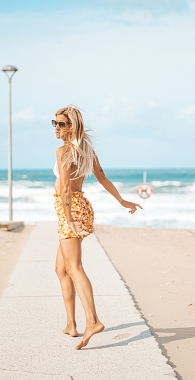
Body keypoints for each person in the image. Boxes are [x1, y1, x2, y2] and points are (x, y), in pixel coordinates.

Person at [52, 104, 142, 350]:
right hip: (80, 207)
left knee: (74, 266)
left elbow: (66, 189)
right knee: (61, 269)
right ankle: (71, 324)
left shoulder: (63, 152)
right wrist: (122, 200)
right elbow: (102, 177)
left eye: (61, 124)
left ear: (72, 127)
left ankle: (92, 321)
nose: (56, 128)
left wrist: (69, 218)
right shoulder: (87, 151)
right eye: (54, 123)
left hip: (70, 209)